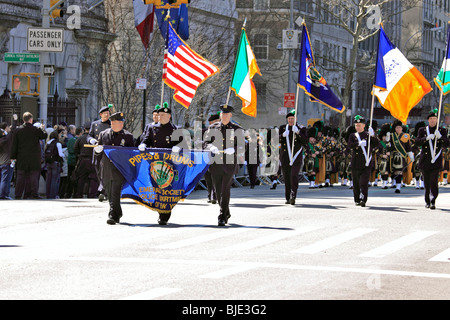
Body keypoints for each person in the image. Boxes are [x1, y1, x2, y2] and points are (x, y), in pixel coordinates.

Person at [203, 104, 245, 226]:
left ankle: (222, 215)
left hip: (229, 164)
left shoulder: (237, 129)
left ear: (230, 115)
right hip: (216, 164)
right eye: (222, 113)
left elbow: (243, 146)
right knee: (217, 189)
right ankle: (226, 211)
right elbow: (205, 143)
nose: (224, 116)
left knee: (225, 189)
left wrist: (235, 149)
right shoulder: (213, 127)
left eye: (226, 114)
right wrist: (211, 147)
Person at [139, 103, 179, 225]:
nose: (160, 117)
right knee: (156, 187)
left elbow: (183, 144)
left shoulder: (175, 129)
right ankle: (160, 210)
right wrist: (143, 144)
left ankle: (165, 215)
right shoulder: (152, 128)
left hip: (168, 163)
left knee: (166, 188)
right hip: (155, 162)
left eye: (163, 115)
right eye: (159, 115)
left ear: (169, 116)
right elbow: (146, 138)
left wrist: (177, 147)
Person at [94, 112, 134, 224]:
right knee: (109, 190)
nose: (120, 124)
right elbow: (99, 148)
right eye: (116, 122)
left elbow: (132, 154)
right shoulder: (103, 134)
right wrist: (97, 151)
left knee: (115, 190)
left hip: (119, 168)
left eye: (120, 122)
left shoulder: (128, 136)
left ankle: (112, 215)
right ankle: (117, 212)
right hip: (106, 167)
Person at [414, 108, 449, 209]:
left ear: (437, 120)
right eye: (431, 118)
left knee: (434, 181)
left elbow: (447, 144)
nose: (433, 120)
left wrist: (441, 137)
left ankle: (433, 199)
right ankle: (427, 201)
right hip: (425, 159)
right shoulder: (423, 130)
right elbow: (417, 142)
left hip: (436, 160)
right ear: (428, 120)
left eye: (435, 118)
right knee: (427, 182)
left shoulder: (442, 130)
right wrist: (426, 138)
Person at [10, 112, 48, 199]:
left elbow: (14, 145)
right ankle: (32, 194)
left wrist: (13, 157)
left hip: (21, 158)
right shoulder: (36, 130)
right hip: (34, 159)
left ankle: (18, 195)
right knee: (33, 177)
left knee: (20, 177)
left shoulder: (18, 130)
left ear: (24, 120)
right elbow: (44, 135)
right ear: (31, 119)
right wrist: (42, 128)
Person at [347, 115, 379, 207]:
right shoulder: (353, 135)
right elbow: (350, 145)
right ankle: (357, 199)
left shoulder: (368, 135)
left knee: (363, 183)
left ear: (364, 125)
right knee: (356, 183)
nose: (357, 127)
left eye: (359, 125)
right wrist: (358, 143)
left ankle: (363, 199)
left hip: (366, 163)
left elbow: (377, 144)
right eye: (356, 125)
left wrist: (373, 136)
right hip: (356, 163)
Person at [279, 110, 307, 203]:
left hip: (296, 156)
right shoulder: (283, 128)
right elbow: (276, 140)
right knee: (286, 177)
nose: (291, 120)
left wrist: (298, 132)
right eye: (289, 119)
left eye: (292, 118)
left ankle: (293, 195)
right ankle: (287, 197)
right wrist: (282, 136)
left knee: (293, 175)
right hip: (285, 156)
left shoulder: (301, 128)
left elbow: (305, 141)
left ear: (296, 119)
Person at [88, 105, 112, 202]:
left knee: (105, 171)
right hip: (97, 151)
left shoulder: (111, 124)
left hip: (107, 151)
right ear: (100, 115)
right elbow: (89, 135)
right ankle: (103, 189)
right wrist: (91, 140)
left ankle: (103, 191)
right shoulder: (95, 124)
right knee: (98, 170)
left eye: (108, 113)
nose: (107, 115)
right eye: (105, 114)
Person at [73, 122, 99, 198]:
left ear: (84, 129)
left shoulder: (80, 138)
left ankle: (79, 194)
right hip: (92, 159)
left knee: (81, 178)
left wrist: (79, 156)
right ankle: (92, 195)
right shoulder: (94, 139)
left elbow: (75, 149)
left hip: (82, 160)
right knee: (93, 178)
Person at [389, 119, 414, 193]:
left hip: (402, 156)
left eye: (400, 128)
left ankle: (398, 187)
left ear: (402, 128)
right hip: (394, 156)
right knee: (395, 172)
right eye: (397, 128)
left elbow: (408, 147)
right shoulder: (392, 136)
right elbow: (389, 146)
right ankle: (395, 184)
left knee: (399, 172)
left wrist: (410, 154)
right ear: (395, 129)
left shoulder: (405, 136)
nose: (398, 129)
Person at [0, 114, 18, 200]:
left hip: (1, 161)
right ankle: (4, 195)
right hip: (7, 161)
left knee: (3, 179)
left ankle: (4, 194)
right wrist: (15, 120)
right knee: (6, 179)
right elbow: (13, 130)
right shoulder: (7, 138)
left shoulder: (2, 140)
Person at [203, 112, 220, 203]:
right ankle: (210, 195)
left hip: (217, 157)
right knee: (208, 178)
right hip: (206, 156)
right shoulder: (204, 131)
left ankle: (215, 196)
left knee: (215, 177)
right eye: (215, 121)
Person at [45, 130, 65, 199]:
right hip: (56, 163)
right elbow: (60, 154)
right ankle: (53, 195)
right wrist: (63, 155)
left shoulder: (48, 143)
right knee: (55, 180)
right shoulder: (58, 143)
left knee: (49, 180)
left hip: (49, 163)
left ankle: (48, 194)